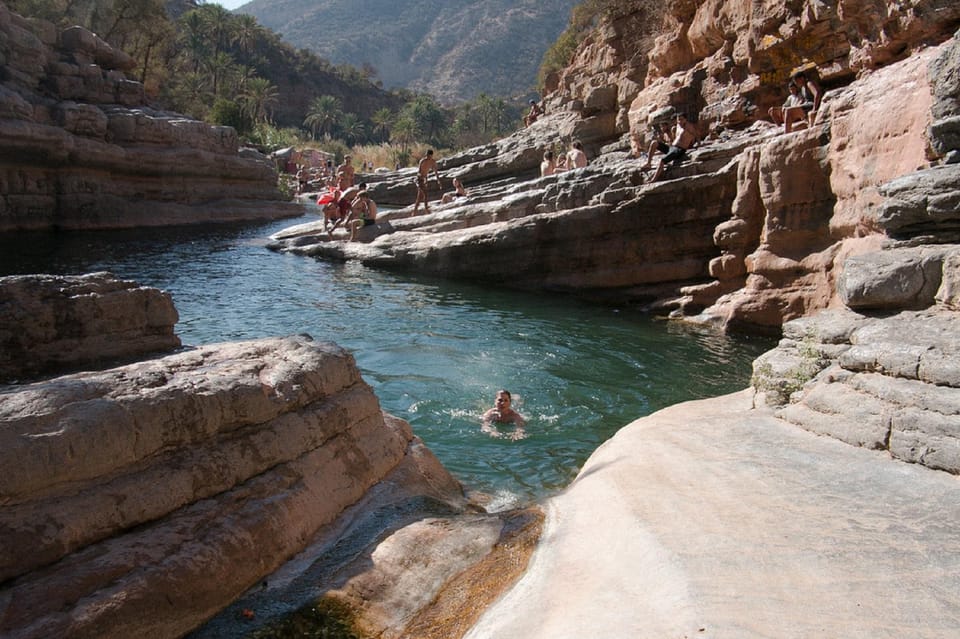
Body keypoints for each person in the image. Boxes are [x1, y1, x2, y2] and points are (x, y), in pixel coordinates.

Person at [642, 112, 697, 182]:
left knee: (662, 161)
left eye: (681, 119)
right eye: (678, 120)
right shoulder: (677, 126)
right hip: (672, 148)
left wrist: (698, 144)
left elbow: (696, 135)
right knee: (654, 143)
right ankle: (648, 163)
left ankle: (654, 179)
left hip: (679, 150)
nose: (679, 121)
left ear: (685, 119)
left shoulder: (689, 127)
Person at [412, 149, 441, 215]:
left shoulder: (433, 162)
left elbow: (436, 172)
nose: (428, 157)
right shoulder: (422, 161)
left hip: (424, 179)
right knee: (425, 194)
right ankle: (426, 209)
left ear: (431, 156)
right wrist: (421, 176)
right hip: (419, 179)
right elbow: (419, 171)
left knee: (419, 197)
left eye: (429, 156)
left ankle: (414, 212)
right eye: (427, 156)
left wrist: (438, 181)